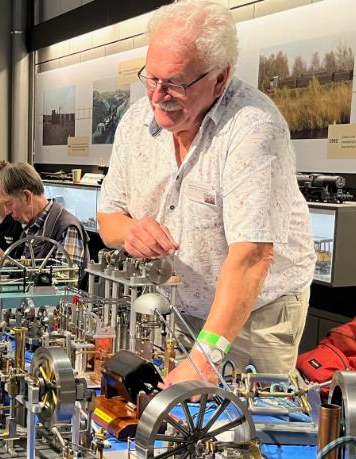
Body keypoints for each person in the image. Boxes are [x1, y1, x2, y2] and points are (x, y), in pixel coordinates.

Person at [96, 0, 315, 385]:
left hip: (253, 316)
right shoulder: (134, 124)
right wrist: (130, 233)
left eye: (176, 83)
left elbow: (251, 256)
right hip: (176, 306)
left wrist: (207, 356)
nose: (158, 96)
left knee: (247, 429)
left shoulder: (252, 129)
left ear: (220, 77)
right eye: (151, 78)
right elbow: (108, 219)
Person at [0, 162, 88, 271]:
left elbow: (63, 284)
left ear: (27, 196)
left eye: (8, 204)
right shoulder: (29, 226)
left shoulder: (67, 229)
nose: (7, 211)